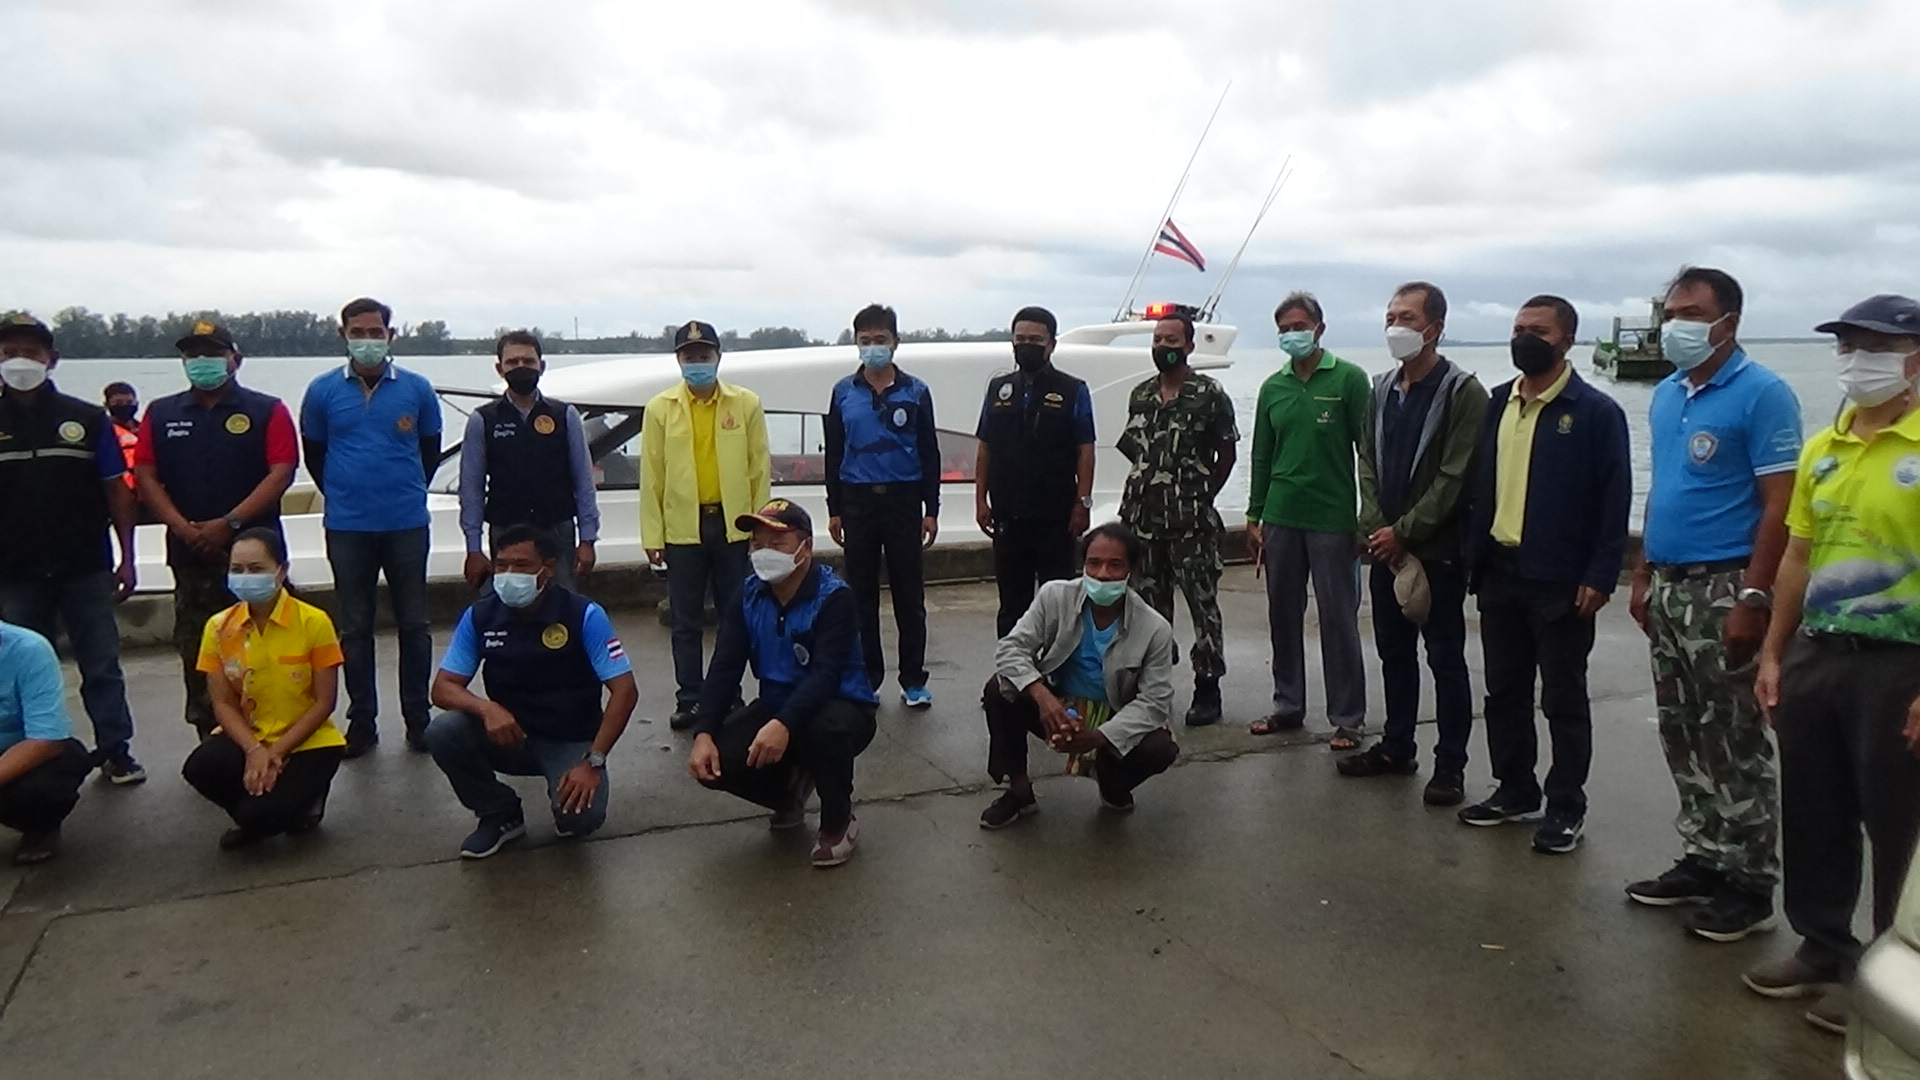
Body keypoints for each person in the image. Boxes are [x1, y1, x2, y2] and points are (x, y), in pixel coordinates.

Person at [1742, 294, 1920, 1035]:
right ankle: (1822, 945)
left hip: (1901, 664)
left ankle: (1888, 972)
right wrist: (1774, 653)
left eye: (1875, 346)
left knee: (1899, 823)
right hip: (1819, 652)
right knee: (1815, 809)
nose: (1857, 360)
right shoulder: (1825, 445)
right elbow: (1797, 557)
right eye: (1847, 346)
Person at [1625, 268, 1801, 942]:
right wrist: (1643, 573)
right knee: (1682, 728)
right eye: (1671, 313)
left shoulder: (1763, 394)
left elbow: (1781, 506)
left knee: (1732, 736)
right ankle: (1704, 854)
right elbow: (1664, 487)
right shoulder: (1668, 393)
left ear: (1730, 321)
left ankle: (1749, 882)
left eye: (1692, 313)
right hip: (1670, 584)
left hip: (1726, 584)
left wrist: (1754, 596)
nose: (1677, 325)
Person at [1460, 295, 1630, 854]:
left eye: (1538, 330)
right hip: (1500, 571)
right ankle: (1515, 788)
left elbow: (1614, 499)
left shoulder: (1596, 412)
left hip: (1561, 579)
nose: (1524, 339)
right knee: (1504, 690)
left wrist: (1601, 574)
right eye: (1518, 328)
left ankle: (1565, 806)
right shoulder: (1497, 403)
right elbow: (1481, 485)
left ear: (1567, 340)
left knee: (1563, 697)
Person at [1345, 282, 1488, 806]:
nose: (1395, 327)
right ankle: (1397, 746)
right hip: (1386, 553)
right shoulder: (1382, 388)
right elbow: (1366, 461)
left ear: (1435, 328)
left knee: (1445, 659)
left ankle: (1450, 765)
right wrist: (1377, 529)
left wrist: (1403, 531)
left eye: (1407, 318)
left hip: (1438, 552)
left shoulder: (1463, 393)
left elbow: (1455, 476)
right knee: (1394, 653)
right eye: (1390, 317)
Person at [427, 524, 638, 859]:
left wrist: (594, 761)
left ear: (548, 568)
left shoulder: (583, 614)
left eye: (522, 565)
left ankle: (565, 791)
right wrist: (486, 709)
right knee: (443, 732)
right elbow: (442, 688)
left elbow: (625, 691)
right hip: (510, 735)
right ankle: (499, 813)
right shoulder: (481, 616)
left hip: (569, 739)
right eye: (502, 565)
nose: (510, 574)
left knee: (581, 819)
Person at [687, 499, 878, 868]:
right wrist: (704, 732)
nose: (764, 553)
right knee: (716, 760)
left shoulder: (833, 596)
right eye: (757, 544)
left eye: (778, 543)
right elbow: (725, 666)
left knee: (824, 730)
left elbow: (826, 675)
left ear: (806, 548)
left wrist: (783, 724)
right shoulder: (747, 594)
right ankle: (788, 793)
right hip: (777, 703)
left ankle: (838, 822)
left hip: (840, 705)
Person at [0, 312, 144, 783]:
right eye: (8, 353)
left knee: (101, 664)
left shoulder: (86, 419)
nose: (19, 361)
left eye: (30, 353)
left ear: (52, 359)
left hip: (85, 566)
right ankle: (24, 759)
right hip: (14, 573)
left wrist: (127, 555)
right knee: (17, 672)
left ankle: (116, 750)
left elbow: (116, 489)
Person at [136, 321, 297, 738]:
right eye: (193, 355)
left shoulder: (268, 409)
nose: (202, 362)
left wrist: (230, 524)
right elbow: (146, 475)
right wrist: (183, 528)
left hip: (256, 555)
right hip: (189, 554)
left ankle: (280, 735)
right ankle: (210, 737)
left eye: (212, 353)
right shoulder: (161, 413)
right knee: (200, 649)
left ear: (235, 359)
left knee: (273, 646)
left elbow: (281, 472)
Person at [299, 297, 443, 757]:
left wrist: (402, 490)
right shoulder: (321, 391)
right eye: (357, 333)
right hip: (347, 527)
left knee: (414, 624)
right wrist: (346, 493)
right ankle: (362, 722)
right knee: (354, 628)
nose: (367, 341)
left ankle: (419, 720)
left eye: (375, 332)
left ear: (390, 336)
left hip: (406, 523)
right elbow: (314, 455)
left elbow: (430, 452)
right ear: (343, 336)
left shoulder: (417, 389)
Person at [978, 522, 1177, 828]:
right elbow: (1010, 648)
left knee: (1160, 748)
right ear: (1082, 565)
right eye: (1094, 563)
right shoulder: (1054, 596)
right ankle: (1019, 791)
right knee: (999, 689)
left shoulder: (1155, 628)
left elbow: (1154, 701)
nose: (1102, 574)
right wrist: (1043, 697)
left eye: (1115, 565)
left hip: (1115, 711)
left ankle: (1112, 783)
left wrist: (1098, 737)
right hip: (1060, 704)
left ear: (1132, 570)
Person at [1246, 292, 1372, 748]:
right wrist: (1254, 514)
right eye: (1283, 329)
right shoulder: (1273, 387)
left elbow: (1368, 453)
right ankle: (1288, 705)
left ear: (1320, 328)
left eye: (1299, 326)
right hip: (1281, 516)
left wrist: (1367, 518)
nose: (1292, 335)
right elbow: (1262, 455)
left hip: (1332, 519)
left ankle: (1348, 717)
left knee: (1338, 619)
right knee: (1283, 615)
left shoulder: (1349, 379)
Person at [641, 320, 771, 731]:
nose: (698, 363)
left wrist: (762, 526)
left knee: (736, 616)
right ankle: (691, 698)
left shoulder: (745, 403)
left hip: (733, 525)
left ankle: (730, 695)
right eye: (690, 356)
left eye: (704, 355)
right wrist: (652, 534)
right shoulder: (660, 408)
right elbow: (652, 475)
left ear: (718, 357)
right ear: (679, 360)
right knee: (685, 620)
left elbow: (759, 469)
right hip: (683, 527)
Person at [182, 529, 346, 849]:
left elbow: (324, 702)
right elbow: (222, 703)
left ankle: (302, 800)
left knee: (266, 817)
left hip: (307, 742)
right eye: (237, 569)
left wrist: (277, 752)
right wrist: (255, 751)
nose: (246, 577)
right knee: (201, 768)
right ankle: (257, 808)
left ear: (281, 571)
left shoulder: (314, 622)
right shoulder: (218, 627)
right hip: (250, 737)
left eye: (256, 569)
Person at [1116, 310, 1237, 727]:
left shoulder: (1209, 394)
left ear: (1189, 345)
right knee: (1148, 609)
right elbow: (1135, 452)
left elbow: (1226, 454)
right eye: (1157, 339)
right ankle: (1154, 685)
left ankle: (1208, 687)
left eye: (1171, 340)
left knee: (1203, 605)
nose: (1163, 347)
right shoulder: (1141, 394)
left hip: (1191, 524)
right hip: (1142, 522)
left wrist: (1200, 494)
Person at [824, 304, 941, 706]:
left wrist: (931, 510)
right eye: (865, 340)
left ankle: (914, 680)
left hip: (903, 499)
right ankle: (867, 677)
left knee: (909, 596)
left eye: (880, 340)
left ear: (895, 342)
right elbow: (834, 452)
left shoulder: (916, 391)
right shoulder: (843, 392)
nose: (873, 347)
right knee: (860, 596)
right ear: (856, 343)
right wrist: (834, 509)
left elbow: (929, 452)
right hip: (857, 500)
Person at [975, 306, 1096, 636]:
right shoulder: (998, 389)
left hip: (1055, 516)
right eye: (1021, 339)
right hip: (1007, 515)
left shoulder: (1073, 390)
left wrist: (1082, 503)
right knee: (1011, 605)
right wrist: (981, 500)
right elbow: (984, 446)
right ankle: (1011, 665)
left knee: (1058, 603)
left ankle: (1058, 665)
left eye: (1035, 340)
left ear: (1051, 344)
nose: (1026, 345)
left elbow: (1085, 450)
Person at [459, 330, 599, 596]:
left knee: (562, 603)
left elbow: (583, 480)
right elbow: (471, 488)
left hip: (557, 529)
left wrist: (588, 539)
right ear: (500, 368)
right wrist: (473, 548)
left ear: (541, 366)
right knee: (507, 603)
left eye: (528, 361)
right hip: (505, 530)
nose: (521, 367)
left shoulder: (564, 415)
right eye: (513, 362)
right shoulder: (483, 419)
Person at [0, 619, 93, 864]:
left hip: (20, 752)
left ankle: (40, 828)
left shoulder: (28, 649)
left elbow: (46, 740)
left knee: (45, 784)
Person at [102, 381, 139, 490]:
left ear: (136, 403)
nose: (125, 406)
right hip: (119, 489)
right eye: (118, 402)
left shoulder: (146, 429)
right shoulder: (103, 432)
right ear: (107, 405)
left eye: (129, 402)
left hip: (147, 489)